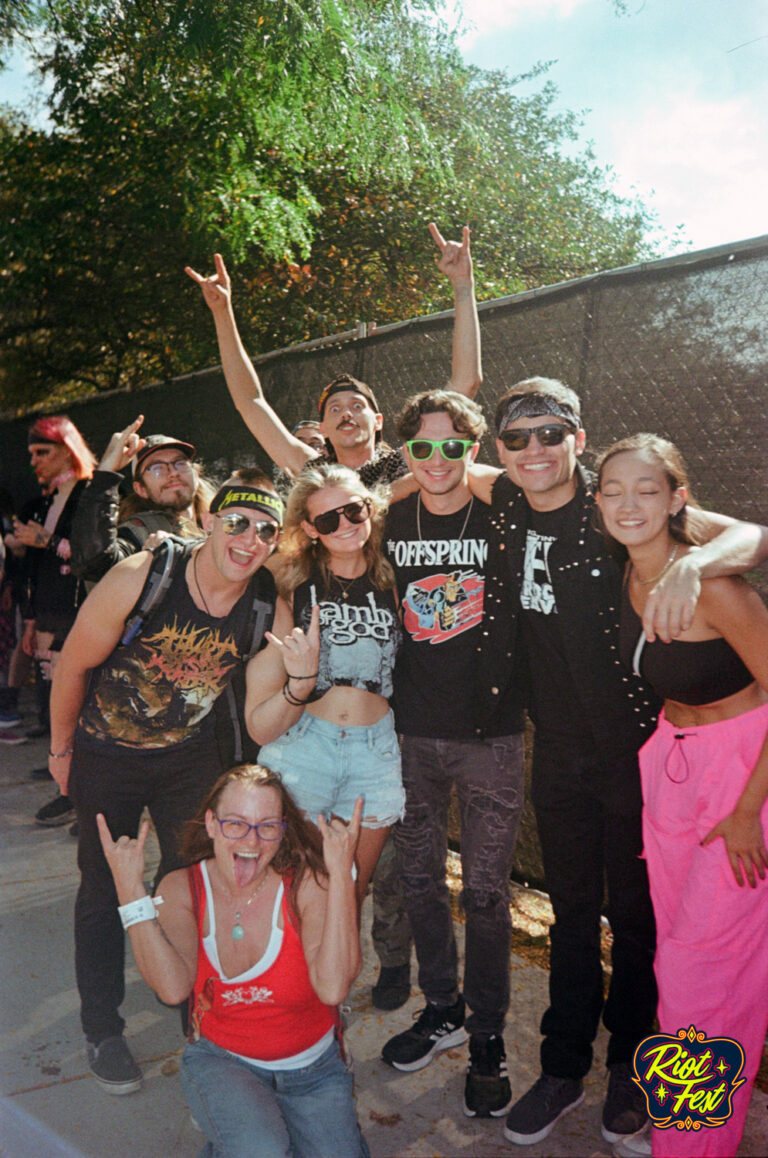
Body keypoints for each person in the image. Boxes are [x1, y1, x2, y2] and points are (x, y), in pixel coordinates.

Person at [469, 377, 768, 1150]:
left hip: (645, 757)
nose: (534, 448)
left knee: (642, 928)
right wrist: (464, 293)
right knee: (572, 916)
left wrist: (691, 569)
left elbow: (750, 534)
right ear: (501, 450)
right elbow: (436, 433)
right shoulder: (505, 501)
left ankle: (641, 1075)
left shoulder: (619, 510)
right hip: (562, 756)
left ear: (578, 438)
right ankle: (564, 1068)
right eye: (517, 437)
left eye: (551, 433)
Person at [47, 469, 284, 1093]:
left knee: (191, 883)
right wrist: (61, 748)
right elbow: (72, 665)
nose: (248, 538)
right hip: (107, 752)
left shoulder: (264, 602)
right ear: (209, 520)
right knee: (102, 887)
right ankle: (102, 1028)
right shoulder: (145, 576)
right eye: (236, 522)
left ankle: (196, 1013)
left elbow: (266, 697)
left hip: (187, 757)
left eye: (265, 530)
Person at [595, 434, 768, 1158]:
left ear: (677, 497)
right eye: (613, 490)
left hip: (742, 775)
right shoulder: (631, 574)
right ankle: (691, 1127)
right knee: (681, 961)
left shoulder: (716, 587)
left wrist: (746, 812)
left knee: (703, 975)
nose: (628, 504)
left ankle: (690, 1146)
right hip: (672, 767)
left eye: (646, 489)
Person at [97, 763, 369, 1158]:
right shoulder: (183, 887)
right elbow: (172, 989)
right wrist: (129, 893)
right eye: (236, 824)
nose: (252, 841)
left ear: (283, 830)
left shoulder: (306, 884)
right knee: (263, 1150)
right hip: (224, 1062)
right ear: (210, 823)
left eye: (267, 826)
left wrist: (342, 876)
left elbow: (333, 986)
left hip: (315, 1071)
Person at [379, 390, 526, 1118]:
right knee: (418, 880)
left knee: (488, 894)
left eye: (453, 446)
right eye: (422, 447)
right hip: (410, 733)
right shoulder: (389, 516)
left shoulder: (505, 506)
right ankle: (443, 1006)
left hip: (492, 734)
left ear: (476, 449)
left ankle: (490, 1034)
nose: (437, 460)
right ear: (405, 452)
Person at [184, 222, 482, 491]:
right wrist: (222, 313)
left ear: (378, 421)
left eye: (357, 405)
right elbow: (250, 403)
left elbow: (465, 383)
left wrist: (463, 286)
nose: (347, 413)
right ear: (323, 428)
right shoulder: (314, 472)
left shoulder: (409, 462)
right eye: (335, 409)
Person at [245, 461, 404, 910]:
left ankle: (331, 982)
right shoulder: (289, 578)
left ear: (369, 509)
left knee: (350, 892)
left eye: (353, 511)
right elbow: (231, 562)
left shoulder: (394, 577)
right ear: (311, 529)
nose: (345, 525)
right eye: (328, 520)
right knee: (296, 888)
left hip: (375, 752)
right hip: (306, 744)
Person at [9, 416, 96, 823]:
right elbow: (39, 565)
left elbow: (92, 556)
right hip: (48, 616)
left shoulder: (88, 495)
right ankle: (70, 786)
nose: (35, 462)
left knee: (79, 706)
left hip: (78, 617)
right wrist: (30, 622)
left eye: (42, 451)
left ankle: (86, 799)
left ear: (68, 448)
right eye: (30, 454)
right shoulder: (47, 499)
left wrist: (44, 542)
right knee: (56, 703)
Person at [70, 418, 214, 583]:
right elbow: (95, 564)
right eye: (157, 468)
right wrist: (106, 473)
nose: (173, 472)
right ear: (141, 489)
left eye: (180, 463)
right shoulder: (139, 534)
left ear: (195, 475)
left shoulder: (223, 522)